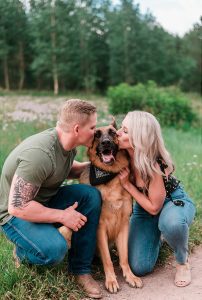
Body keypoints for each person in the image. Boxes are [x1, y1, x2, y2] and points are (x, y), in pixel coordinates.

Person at [0, 99, 102, 299]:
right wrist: (63, 216)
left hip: (44, 199)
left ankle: (80, 270)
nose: (96, 132)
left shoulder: (66, 143)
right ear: (76, 129)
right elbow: (18, 207)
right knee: (54, 250)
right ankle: (22, 252)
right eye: (93, 127)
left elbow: (63, 170)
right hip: (14, 215)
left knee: (90, 196)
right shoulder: (39, 155)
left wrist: (103, 167)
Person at [117, 111, 196, 287]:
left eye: (125, 131)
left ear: (139, 138)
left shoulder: (153, 164)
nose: (118, 133)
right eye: (120, 128)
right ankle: (160, 236)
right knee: (139, 267)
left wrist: (128, 186)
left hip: (172, 203)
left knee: (173, 224)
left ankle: (182, 262)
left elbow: (154, 207)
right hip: (144, 208)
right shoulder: (122, 156)